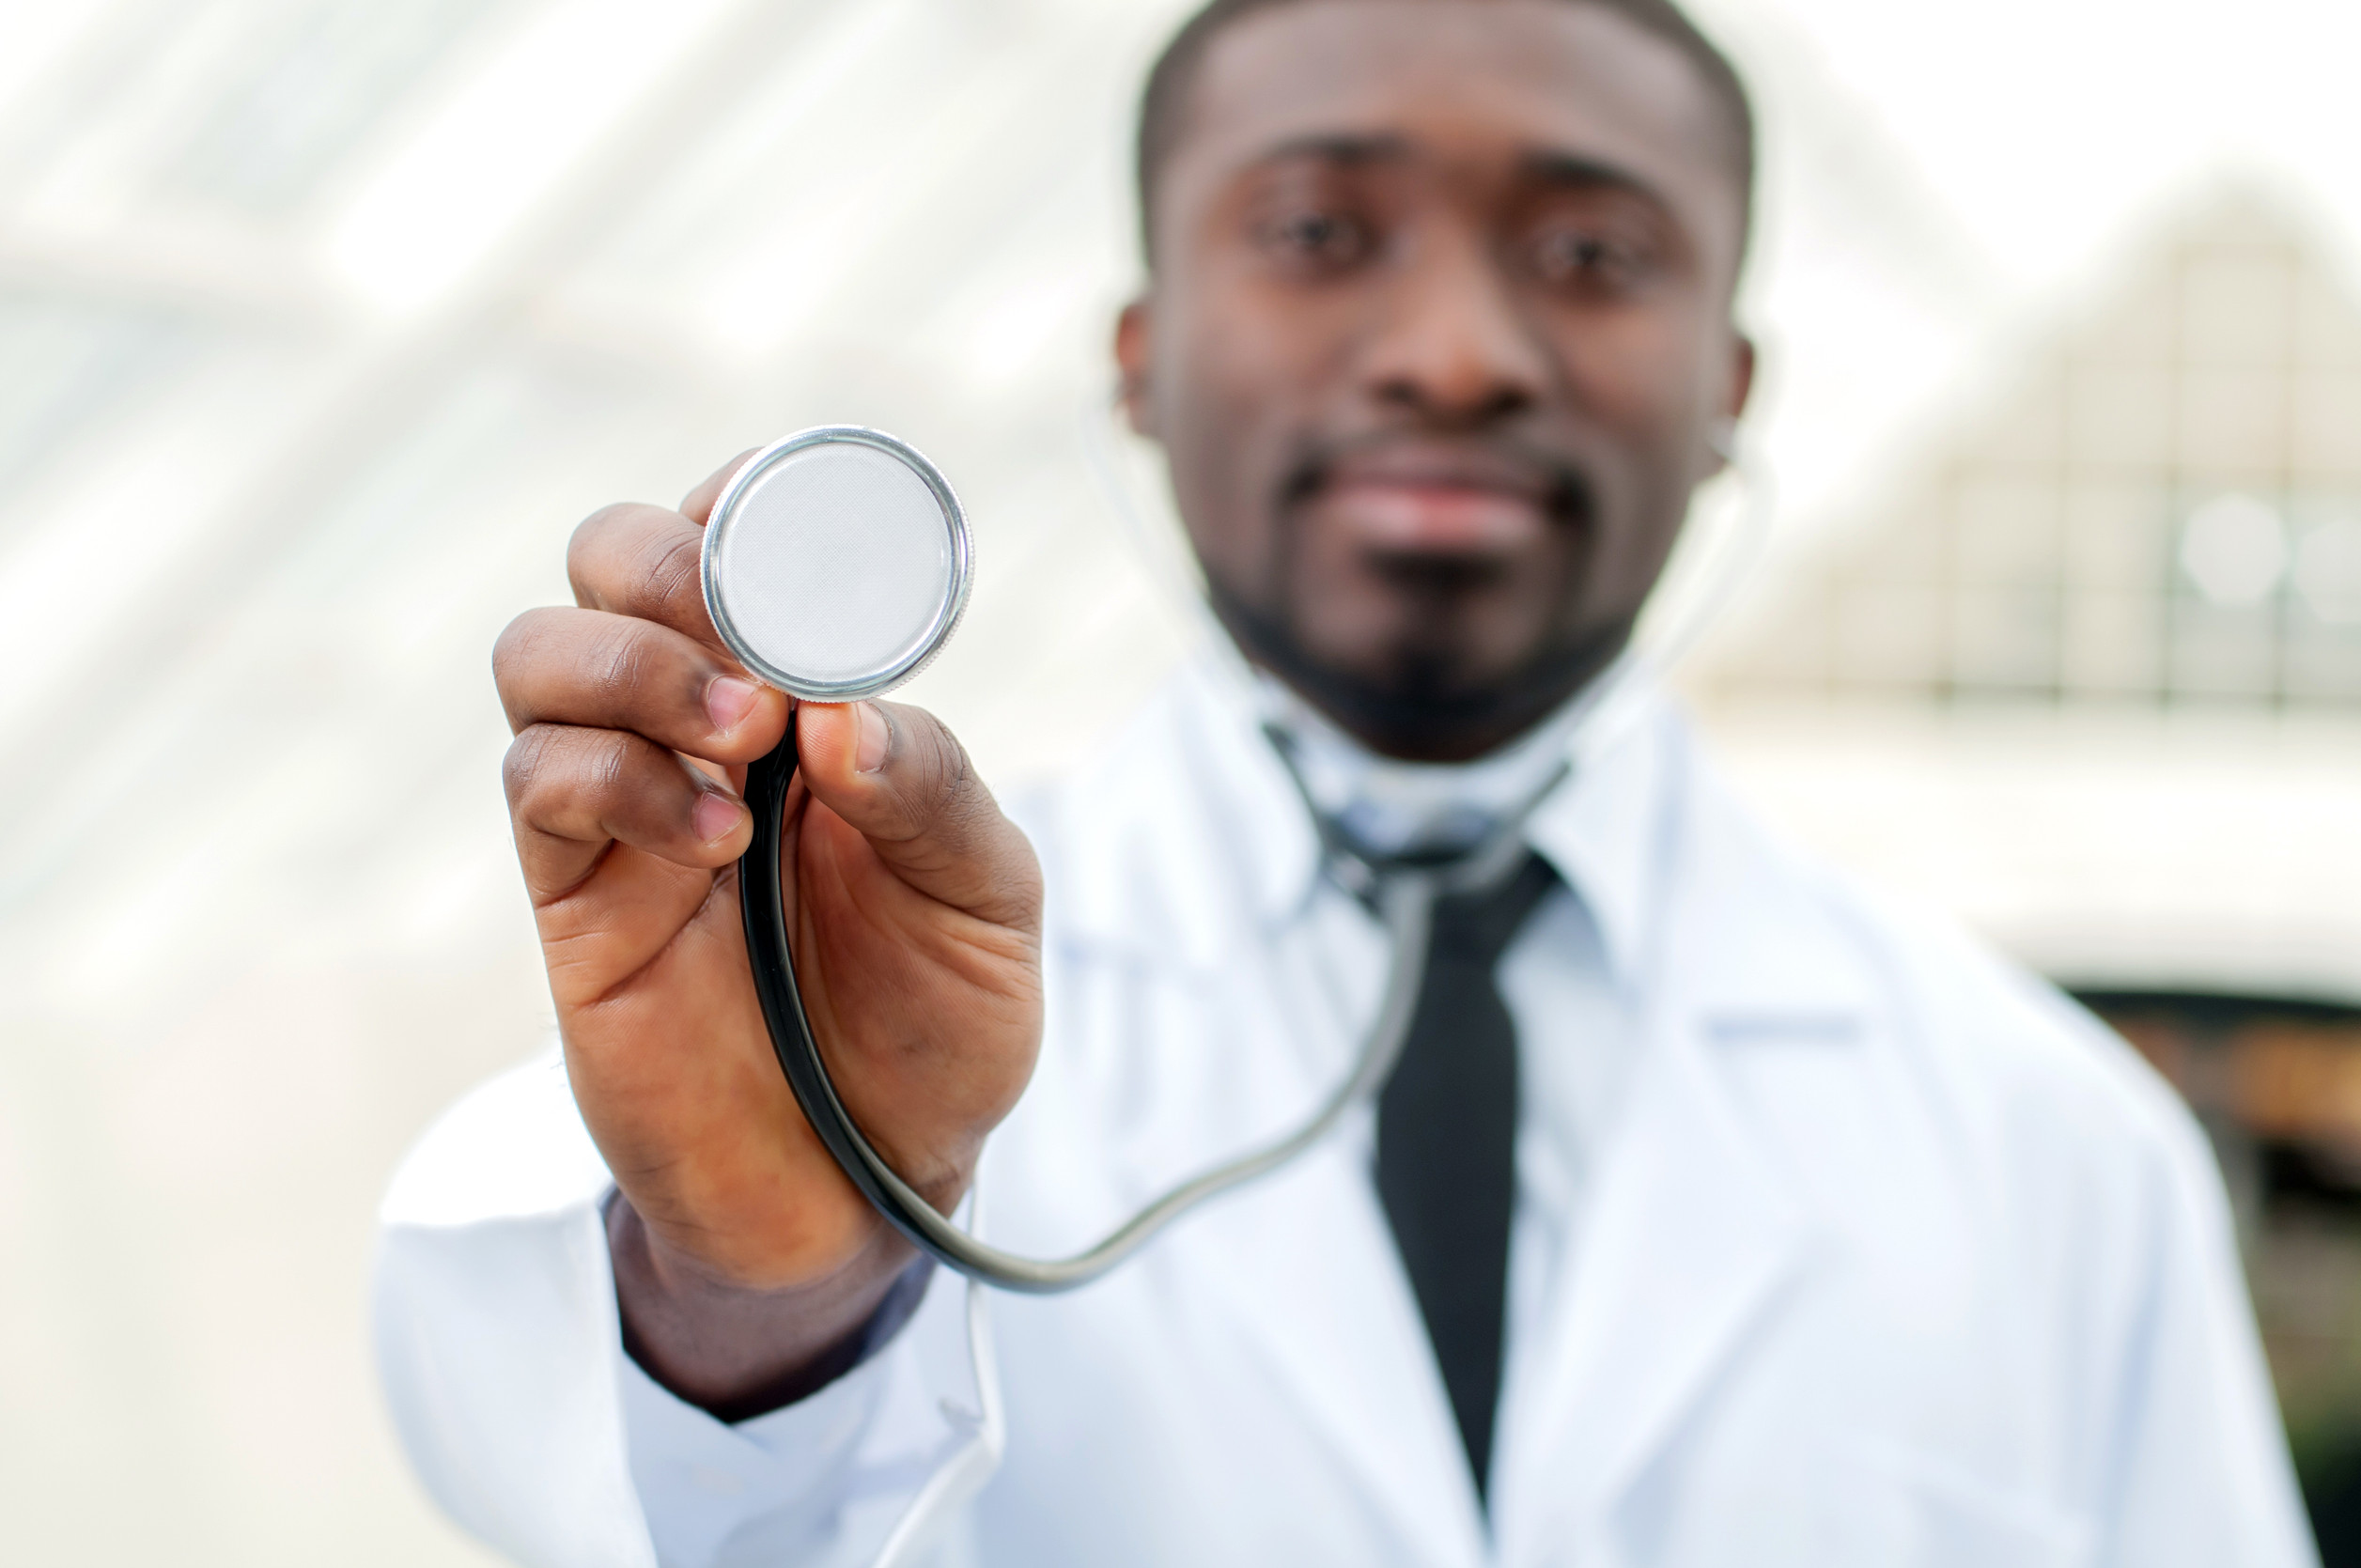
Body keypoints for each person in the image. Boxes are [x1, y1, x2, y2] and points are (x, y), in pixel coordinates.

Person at [374, 1, 2318, 1563]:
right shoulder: (813, 977)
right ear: (1140, 360)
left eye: (1590, 252)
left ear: (1730, 390)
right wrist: (756, 1295)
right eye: (1316, 232)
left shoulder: (2060, 1148)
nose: (1458, 354)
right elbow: (571, 1476)